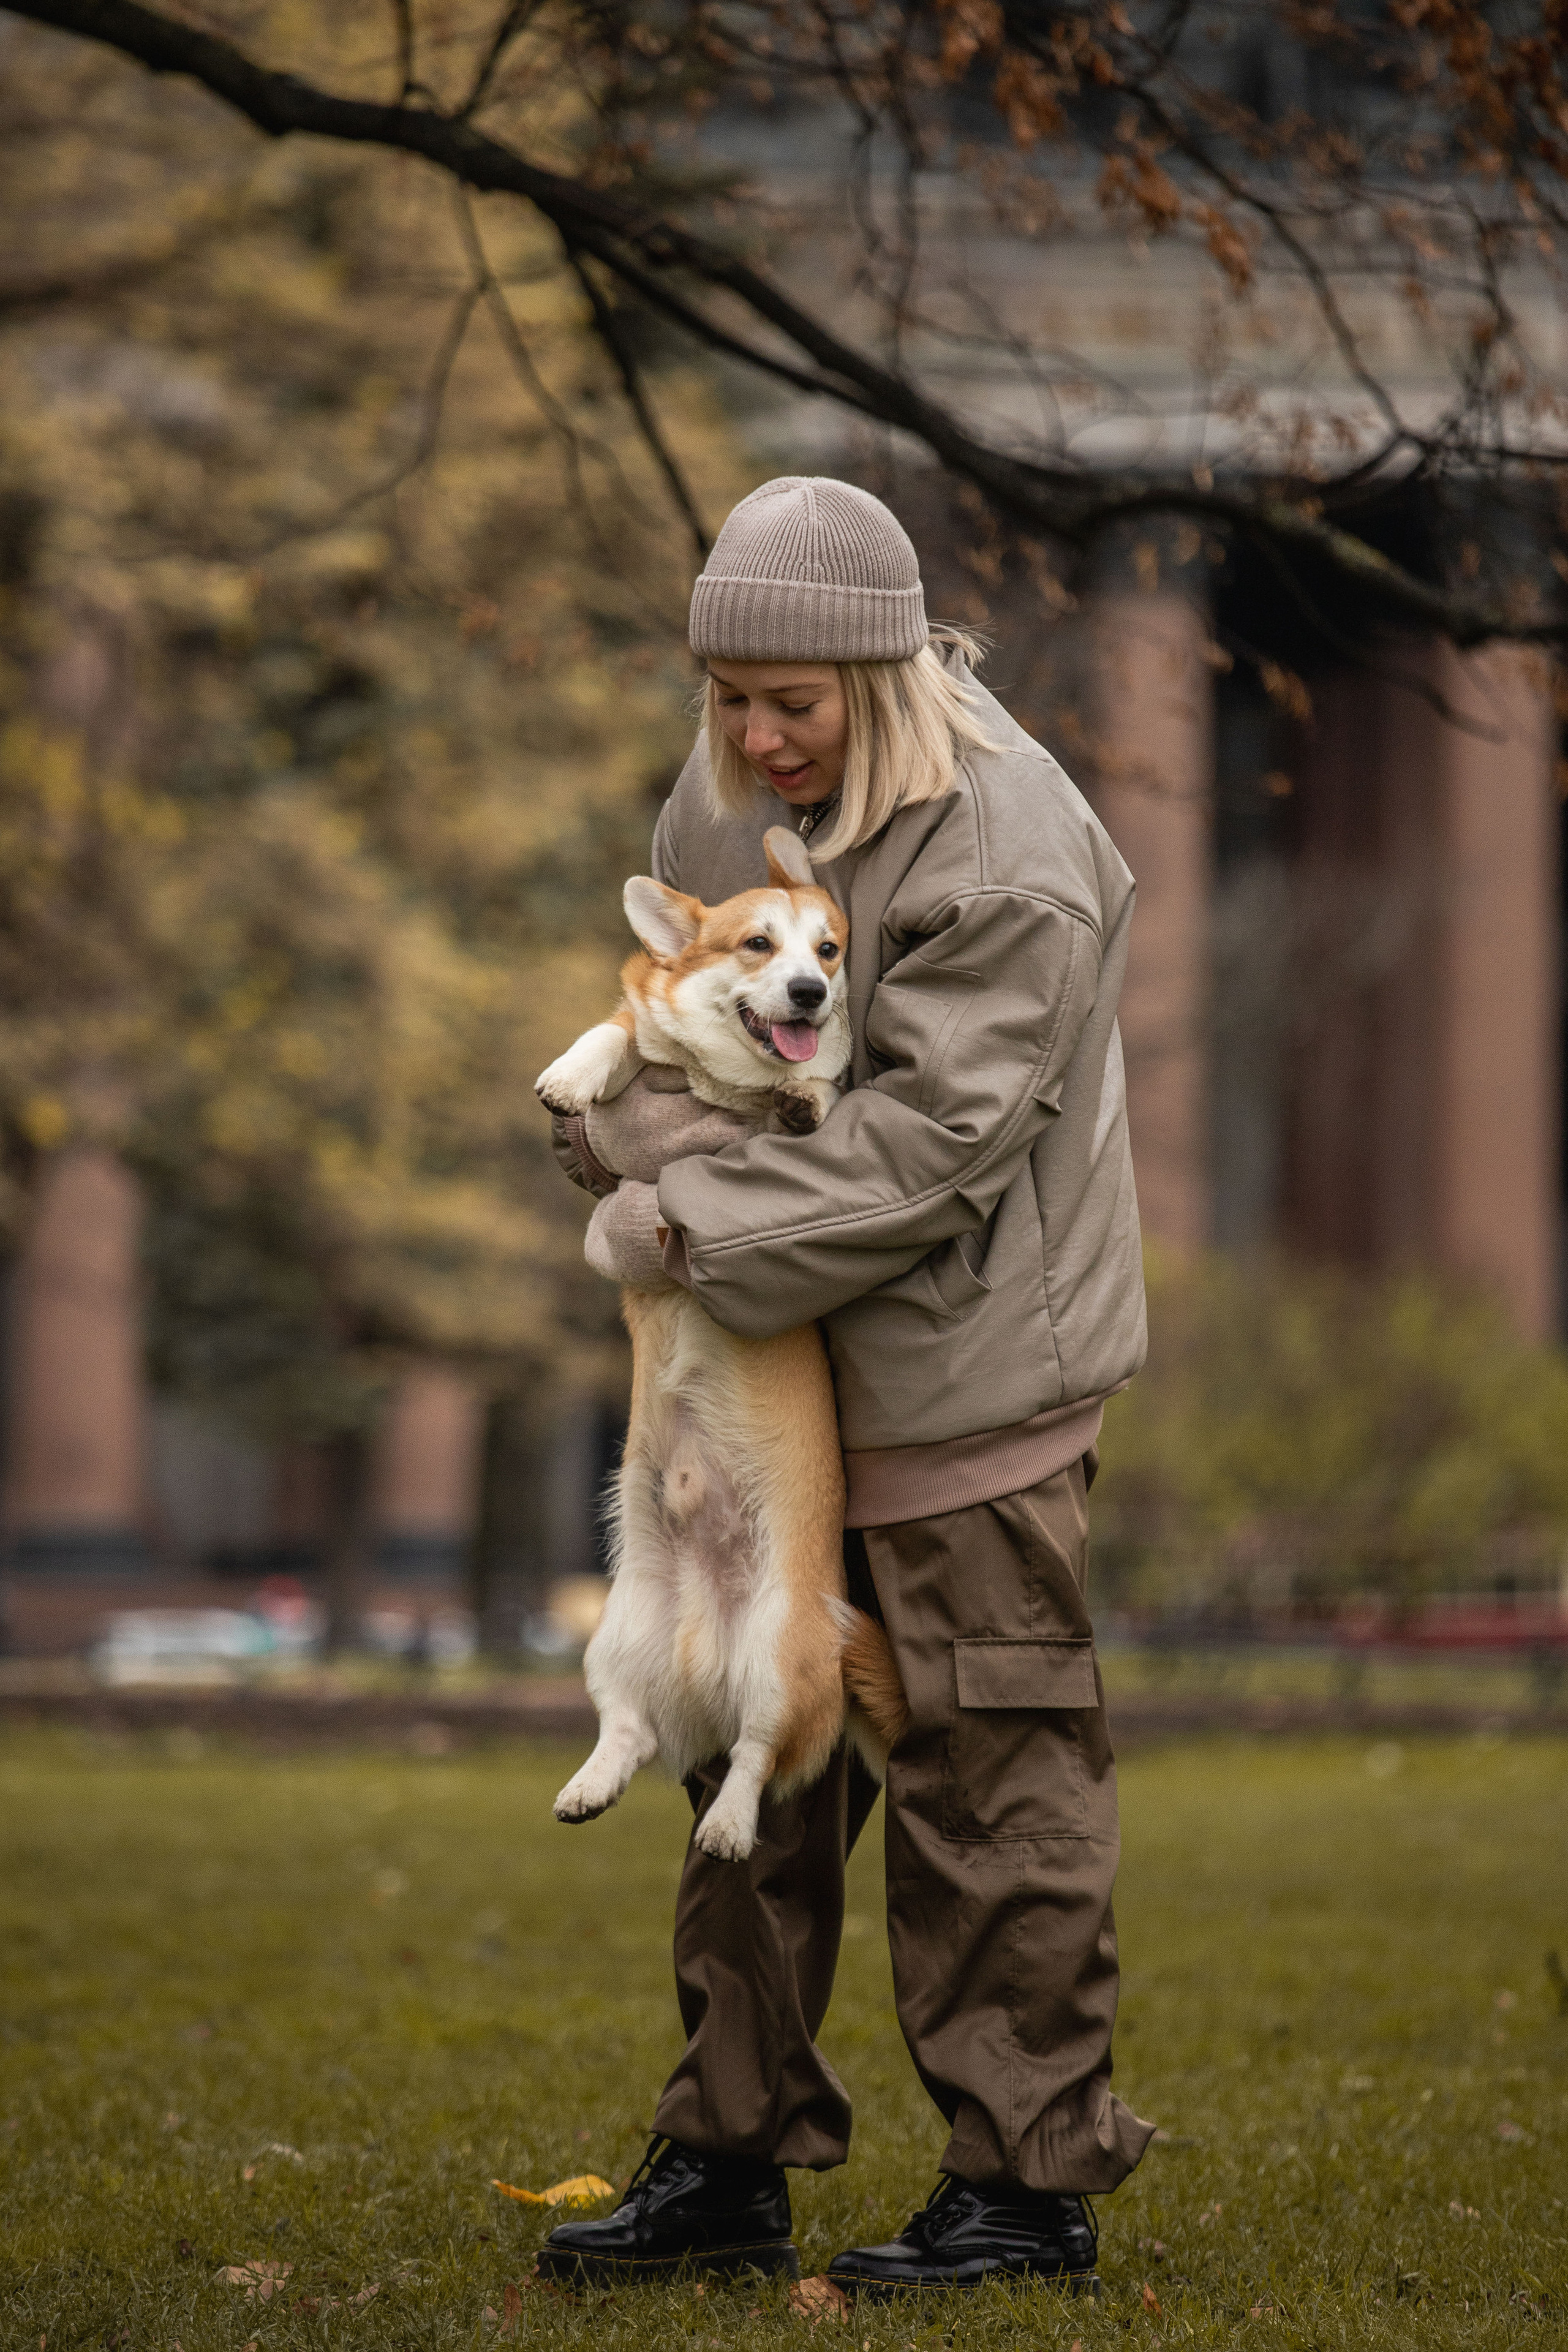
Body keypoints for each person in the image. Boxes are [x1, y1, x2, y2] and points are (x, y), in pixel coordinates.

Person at [540, 476, 1153, 2295]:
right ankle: (726, 2160)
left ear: (883, 679)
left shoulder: (1011, 845)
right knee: (749, 1757)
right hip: (765, 1373)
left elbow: (930, 1147)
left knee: (992, 1773)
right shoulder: (735, 794)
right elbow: (677, 1034)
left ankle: (1023, 2192)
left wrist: (668, 1214)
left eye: (789, 704)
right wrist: (629, 1141)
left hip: (971, 1383)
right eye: (727, 699)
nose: (748, 739)